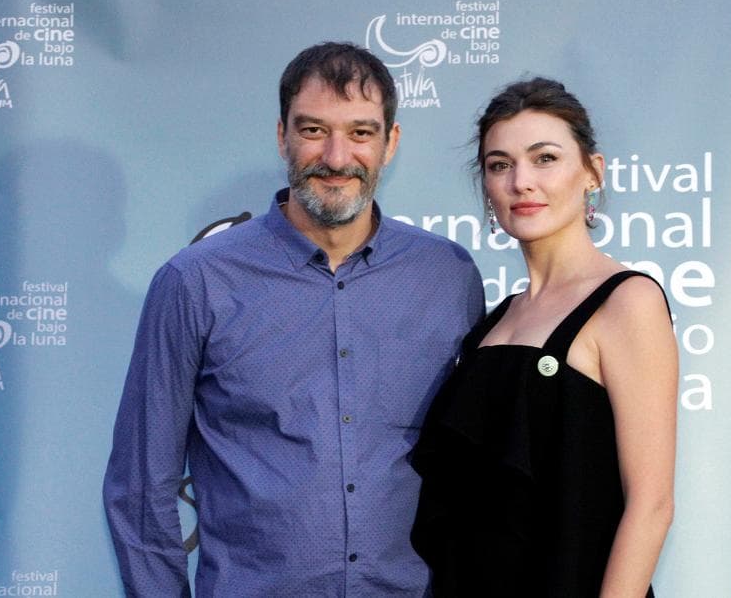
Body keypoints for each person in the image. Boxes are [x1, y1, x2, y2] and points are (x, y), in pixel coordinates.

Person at [103, 42, 485, 597]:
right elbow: (140, 488)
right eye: (313, 130)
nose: (336, 156)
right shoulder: (195, 282)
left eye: (361, 132)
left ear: (390, 143)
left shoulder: (447, 276)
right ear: (282, 135)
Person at [410, 77, 677, 597]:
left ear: (592, 173)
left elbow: (652, 506)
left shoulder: (628, 302)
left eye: (545, 159)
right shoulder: (496, 320)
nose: (521, 182)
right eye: (500, 165)